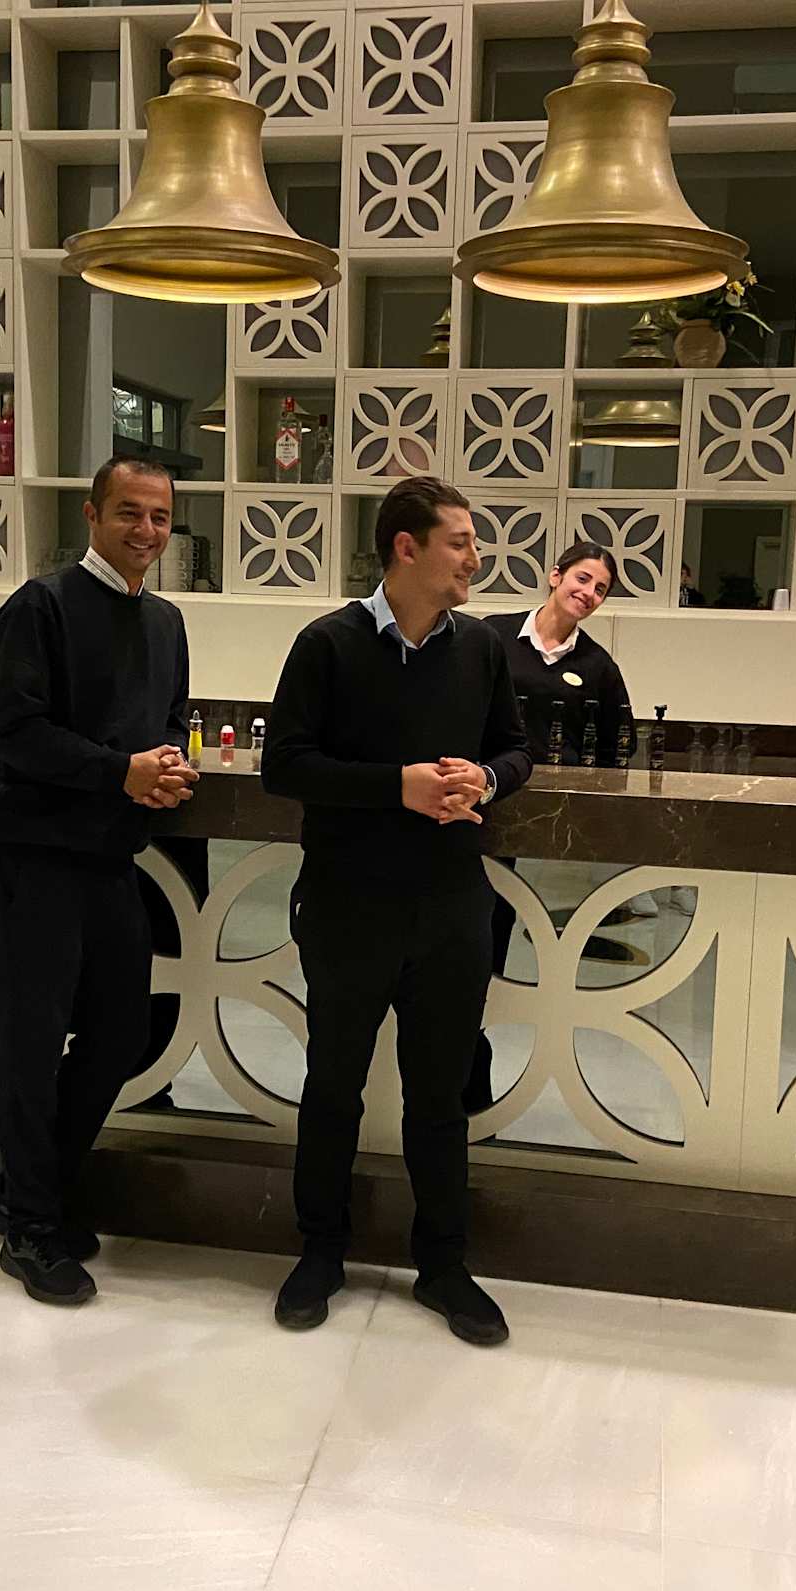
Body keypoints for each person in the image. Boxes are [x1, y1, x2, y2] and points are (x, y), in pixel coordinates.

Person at [261, 475, 532, 1346]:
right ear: (405, 548)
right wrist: (398, 787)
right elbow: (285, 766)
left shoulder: (481, 648)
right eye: (461, 542)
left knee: (440, 1096)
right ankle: (320, 1252)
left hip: (452, 906)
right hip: (348, 903)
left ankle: (444, 1265)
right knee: (332, 1086)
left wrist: (487, 778)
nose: (475, 558)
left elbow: (517, 749)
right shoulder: (327, 645)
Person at [0, 456, 198, 1307]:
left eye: (160, 517)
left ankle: (28, 1190)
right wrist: (119, 773)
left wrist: (163, 770)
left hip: (108, 861)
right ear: (93, 516)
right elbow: (15, 733)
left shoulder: (166, 621)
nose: (147, 530)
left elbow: (167, 721)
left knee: (119, 1035)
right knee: (32, 1050)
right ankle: (31, 1228)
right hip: (29, 859)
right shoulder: (41, 607)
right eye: (129, 512)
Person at [465, 541, 634, 1115]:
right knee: (463, 927)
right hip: (477, 803)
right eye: (582, 579)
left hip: (544, 826)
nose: (588, 593)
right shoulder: (491, 636)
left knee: (497, 928)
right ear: (555, 576)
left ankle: (472, 1074)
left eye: (600, 589)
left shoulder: (599, 667)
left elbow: (617, 749)